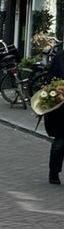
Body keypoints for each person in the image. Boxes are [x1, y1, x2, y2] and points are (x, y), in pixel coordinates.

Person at [44, 46, 64, 185]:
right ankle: (54, 172)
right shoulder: (60, 57)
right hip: (62, 108)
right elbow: (52, 78)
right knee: (60, 142)